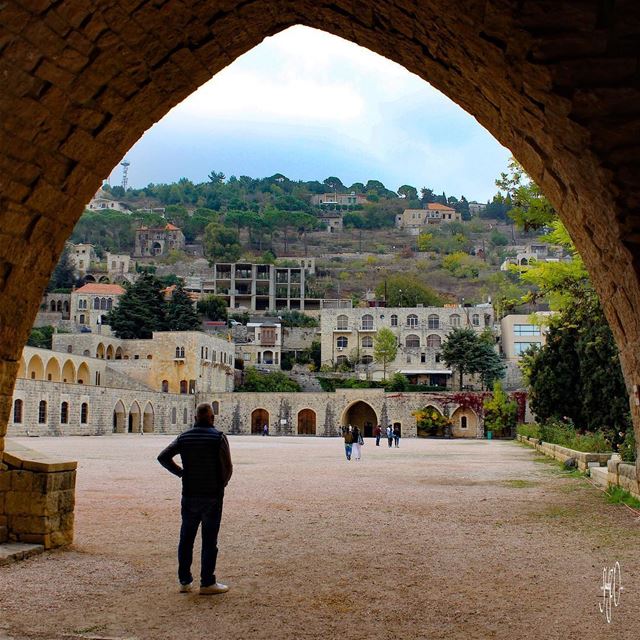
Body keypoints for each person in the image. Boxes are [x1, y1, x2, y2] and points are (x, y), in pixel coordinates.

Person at [158, 402, 233, 595]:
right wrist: (220, 485)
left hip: (190, 494)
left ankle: (184, 581)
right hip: (212, 496)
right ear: (212, 418)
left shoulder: (184, 437)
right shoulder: (218, 437)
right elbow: (227, 468)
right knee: (209, 541)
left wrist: (181, 473)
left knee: (186, 538)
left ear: (194, 418)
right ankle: (207, 582)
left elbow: (163, 457)